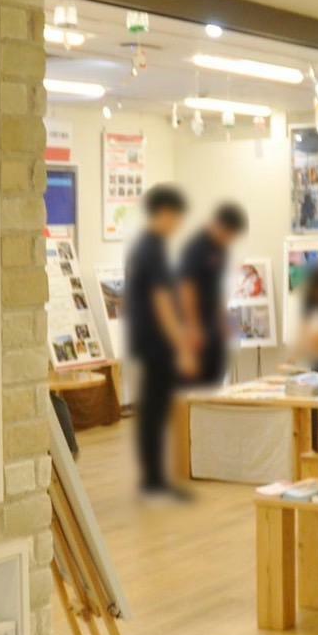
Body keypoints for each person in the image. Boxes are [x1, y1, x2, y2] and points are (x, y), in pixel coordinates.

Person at [124, 184, 194, 500]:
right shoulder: (152, 249)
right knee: (155, 409)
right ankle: (154, 480)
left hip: (146, 340)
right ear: (165, 213)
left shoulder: (145, 247)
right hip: (156, 343)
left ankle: (154, 478)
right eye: (178, 217)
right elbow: (162, 301)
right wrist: (180, 344)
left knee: (153, 408)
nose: (179, 224)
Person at [178, 202, 247, 387]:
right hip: (194, 321)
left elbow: (218, 287)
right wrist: (192, 326)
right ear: (220, 225)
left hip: (212, 321)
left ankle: (214, 410)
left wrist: (223, 318)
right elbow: (187, 287)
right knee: (195, 379)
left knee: (216, 372)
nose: (230, 239)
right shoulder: (195, 247)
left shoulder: (222, 249)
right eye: (230, 234)